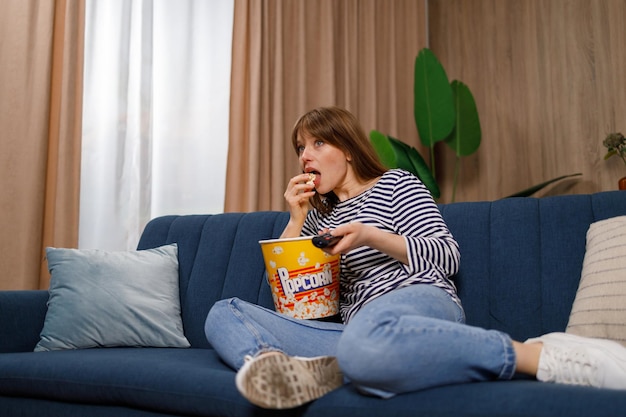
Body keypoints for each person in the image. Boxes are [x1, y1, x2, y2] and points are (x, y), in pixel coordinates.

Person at [205, 106, 626, 409]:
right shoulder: (320, 219)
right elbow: (290, 301)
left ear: (348, 149)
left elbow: (446, 256)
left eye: (317, 142)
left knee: (365, 341)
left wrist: (371, 235)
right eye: (300, 147)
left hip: (418, 299)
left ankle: (543, 355)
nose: (305, 156)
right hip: (354, 333)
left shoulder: (395, 184)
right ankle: (285, 373)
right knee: (223, 312)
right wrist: (296, 221)